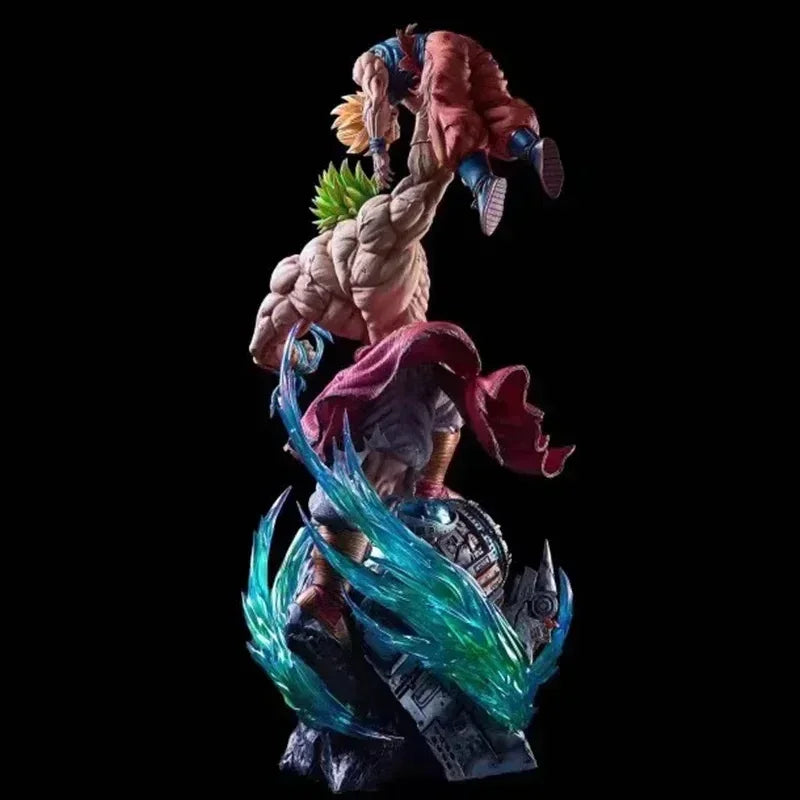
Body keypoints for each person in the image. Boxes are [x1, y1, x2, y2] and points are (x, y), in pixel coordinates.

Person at [333, 24, 564, 236]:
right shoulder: (401, 92)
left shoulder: (365, 69)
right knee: (491, 106)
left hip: (438, 50)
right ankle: (531, 147)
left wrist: (377, 149)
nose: (390, 128)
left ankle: (481, 181)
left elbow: (375, 106)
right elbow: (423, 112)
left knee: (447, 120)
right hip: (463, 48)